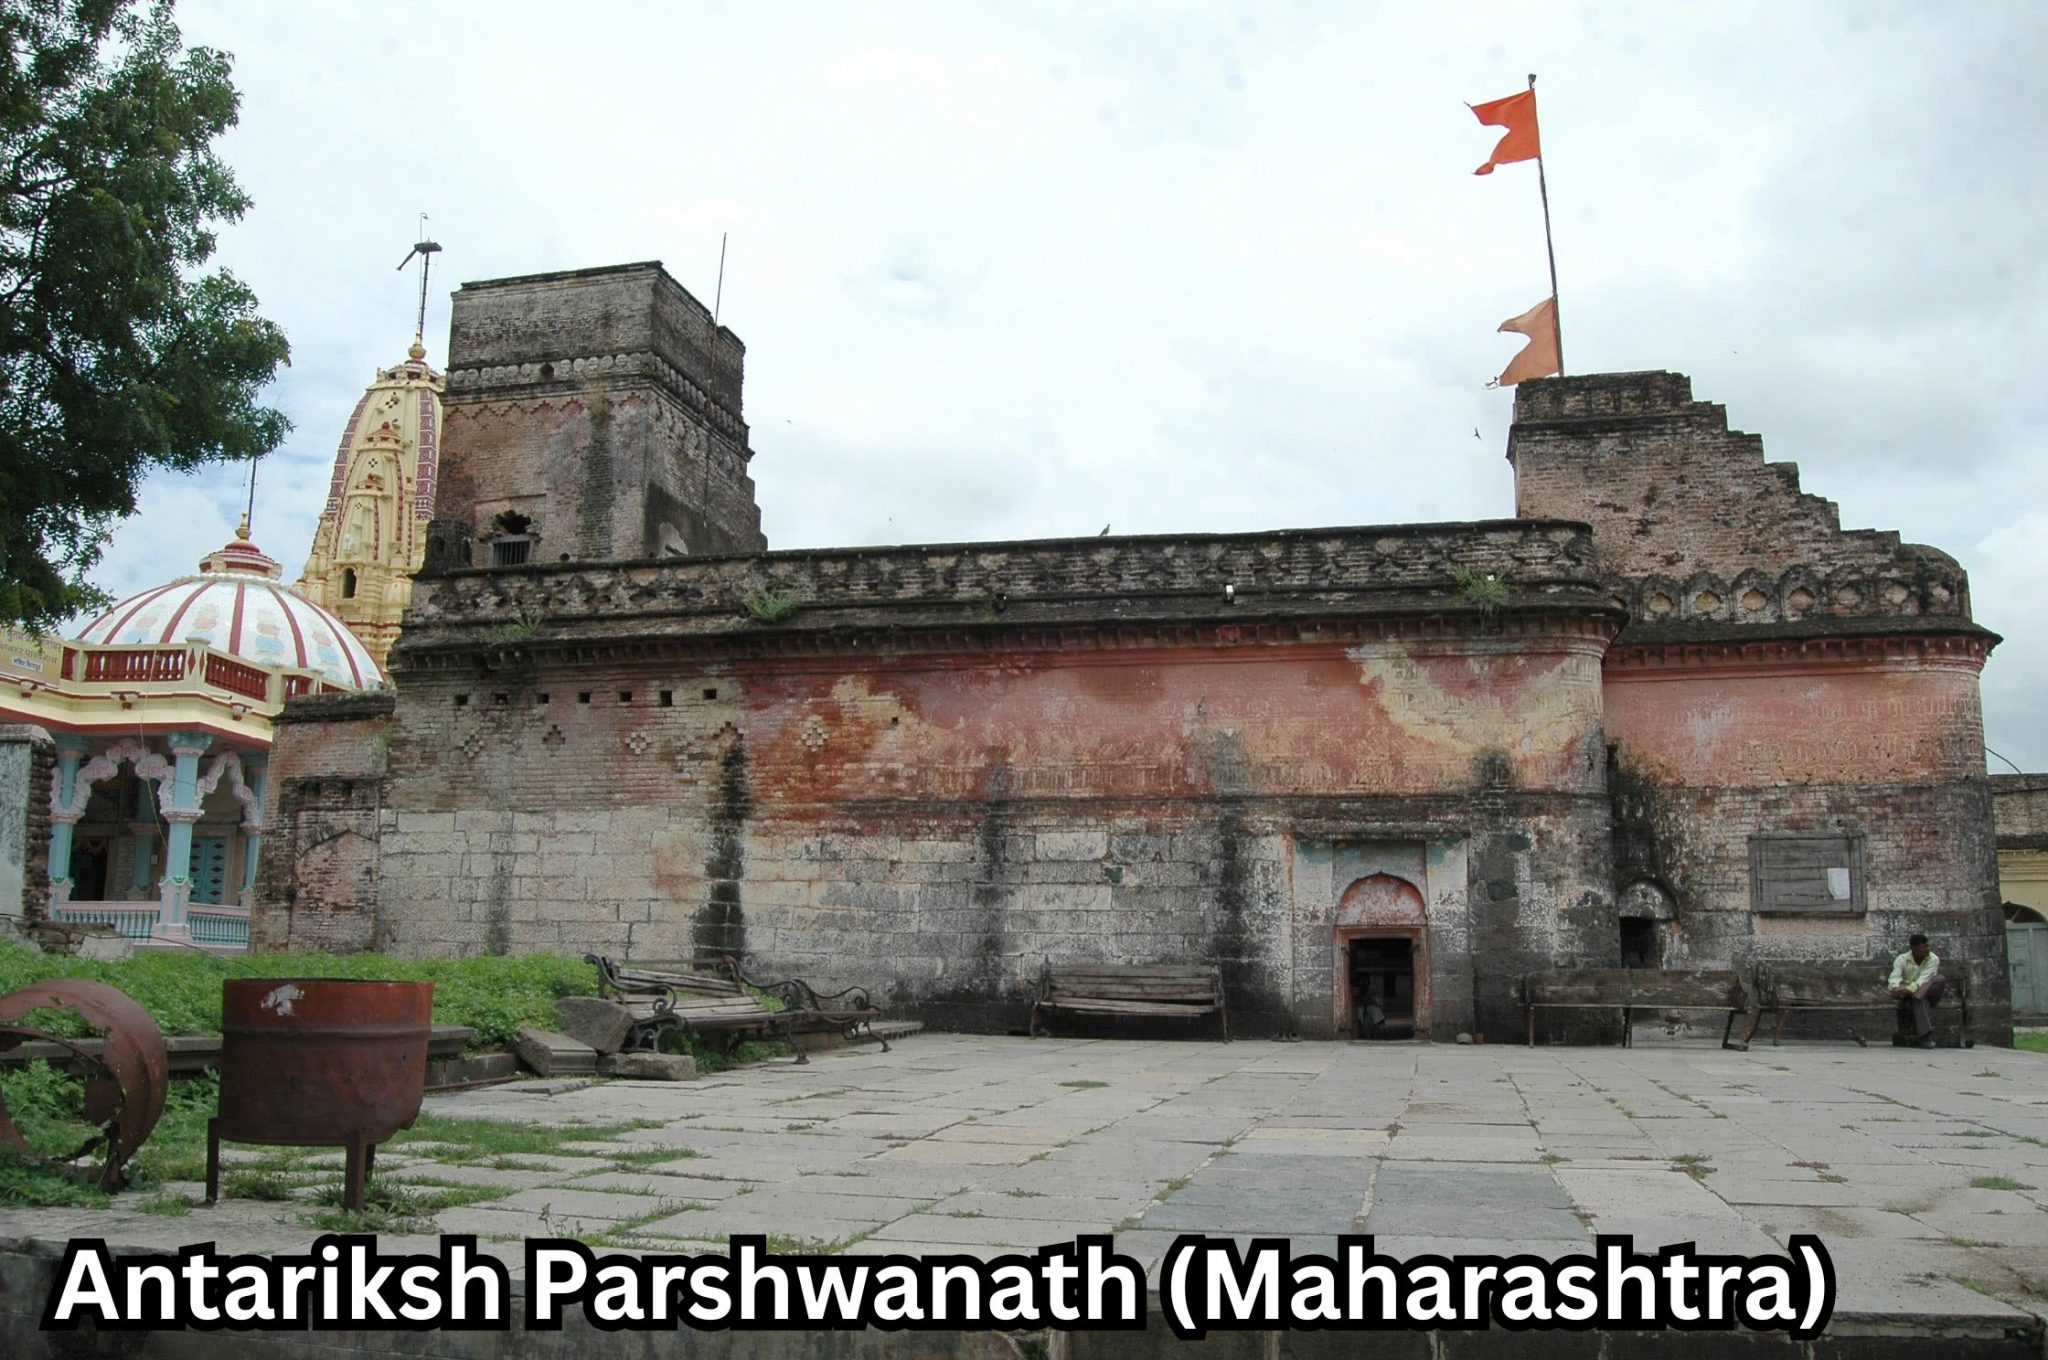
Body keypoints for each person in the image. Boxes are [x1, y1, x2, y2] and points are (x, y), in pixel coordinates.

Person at [1888, 934, 1946, 1049]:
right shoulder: (1902, 959)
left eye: (1928, 946)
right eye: (1924, 947)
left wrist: (1910, 990)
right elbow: (1895, 976)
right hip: (1909, 996)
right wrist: (1895, 987)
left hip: (1928, 992)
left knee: (1938, 979)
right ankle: (1925, 1036)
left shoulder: (1933, 959)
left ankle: (1915, 996)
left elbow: (1924, 978)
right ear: (1914, 949)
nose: (1927, 949)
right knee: (1919, 999)